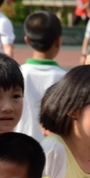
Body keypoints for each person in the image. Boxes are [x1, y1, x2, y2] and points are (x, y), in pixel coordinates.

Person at [14, 11, 66, 142]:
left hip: (18, 146)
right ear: (58, 41)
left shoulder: (16, 73)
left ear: (27, 41)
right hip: (53, 148)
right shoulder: (66, 79)